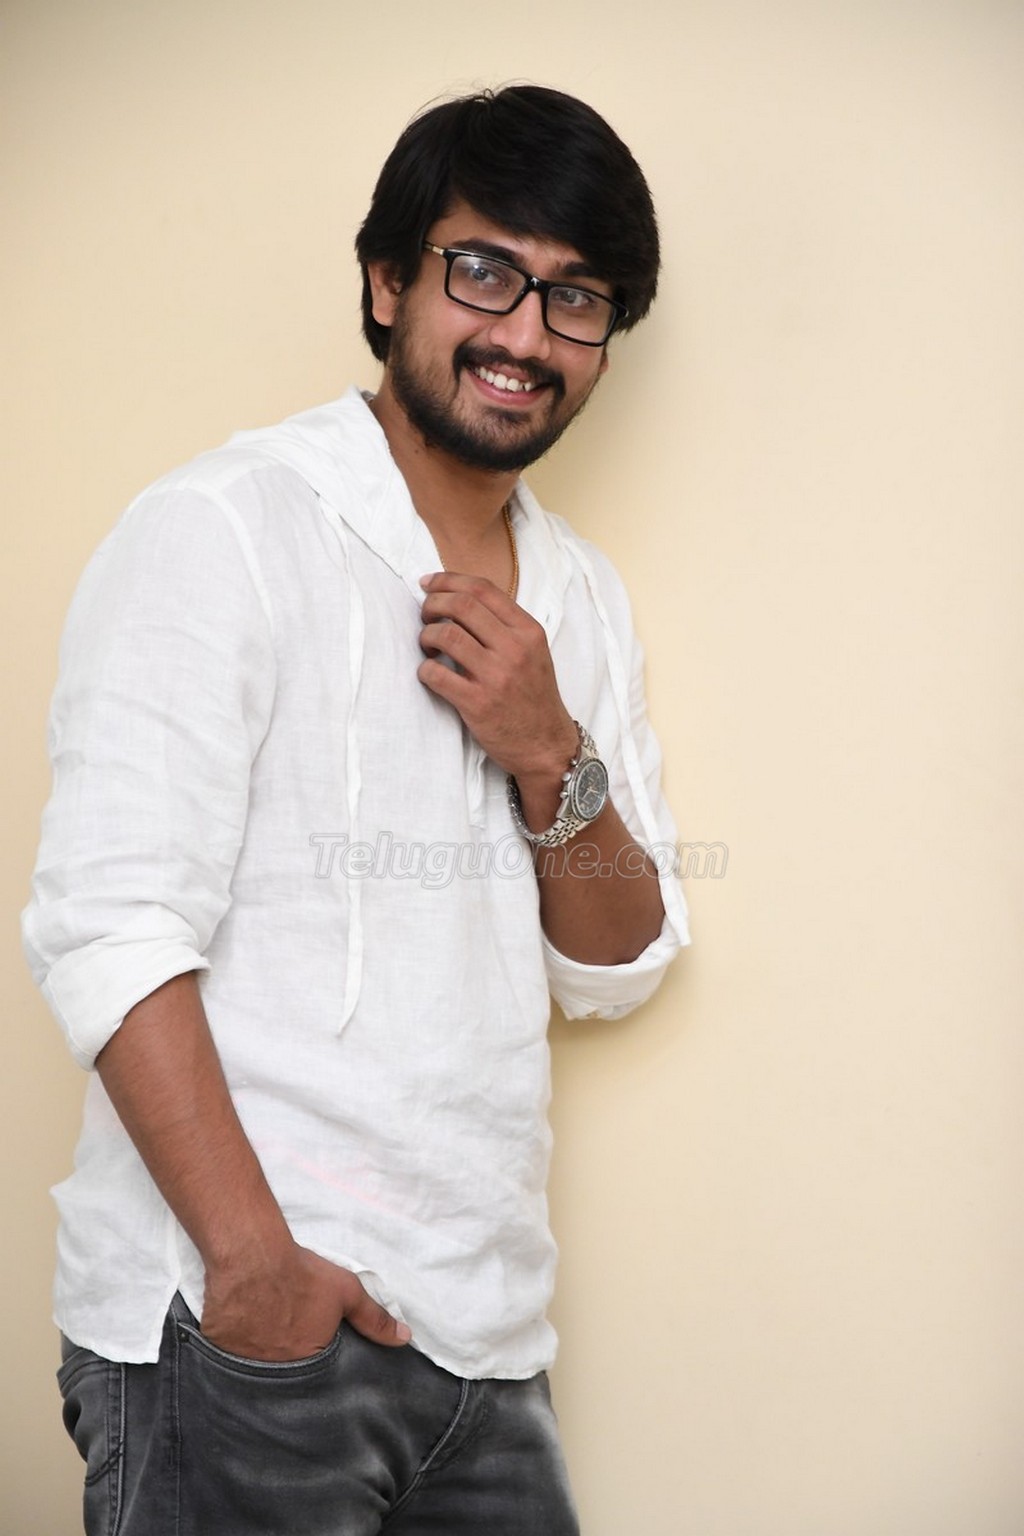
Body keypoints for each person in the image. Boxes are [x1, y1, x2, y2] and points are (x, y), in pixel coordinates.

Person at [23, 84, 689, 1535]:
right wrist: (253, 1272)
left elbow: (618, 962)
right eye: (484, 270)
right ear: (388, 282)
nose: (526, 334)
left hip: (489, 1350)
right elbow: (108, 924)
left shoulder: (581, 598)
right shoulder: (224, 525)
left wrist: (549, 748)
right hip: (244, 1332)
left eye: (576, 298)